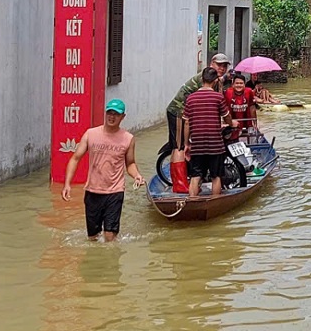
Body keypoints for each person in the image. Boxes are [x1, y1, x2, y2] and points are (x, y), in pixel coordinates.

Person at [61, 99, 144, 242]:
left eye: (116, 114)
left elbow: (130, 163)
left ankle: (111, 263)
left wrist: (137, 176)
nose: (112, 117)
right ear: (105, 113)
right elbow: (75, 158)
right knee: (92, 238)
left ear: (122, 117)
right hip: (93, 191)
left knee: (109, 236)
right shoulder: (90, 134)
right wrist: (67, 184)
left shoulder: (128, 138)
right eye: (109, 113)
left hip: (115, 191)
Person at [164, 53, 230, 154]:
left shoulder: (217, 81)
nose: (222, 68)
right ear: (211, 64)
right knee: (179, 146)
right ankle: (178, 168)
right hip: (178, 111)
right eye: (219, 65)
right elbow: (207, 103)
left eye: (224, 66)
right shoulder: (204, 78)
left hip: (189, 114)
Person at [182, 67, 232, 196]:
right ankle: (215, 203)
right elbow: (226, 116)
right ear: (215, 81)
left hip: (198, 143)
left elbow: (187, 122)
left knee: (195, 176)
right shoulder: (218, 97)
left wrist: (186, 143)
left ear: (202, 79)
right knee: (216, 176)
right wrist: (232, 123)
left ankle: (192, 201)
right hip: (215, 144)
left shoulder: (191, 98)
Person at [224, 73, 257, 138]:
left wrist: (255, 122)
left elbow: (252, 107)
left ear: (244, 84)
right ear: (232, 84)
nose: (239, 85)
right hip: (232, 124)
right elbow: (225, 108)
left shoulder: (249, 91)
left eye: (241, 83)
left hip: (246, 123)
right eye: (237, 83)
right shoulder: (228, 92)